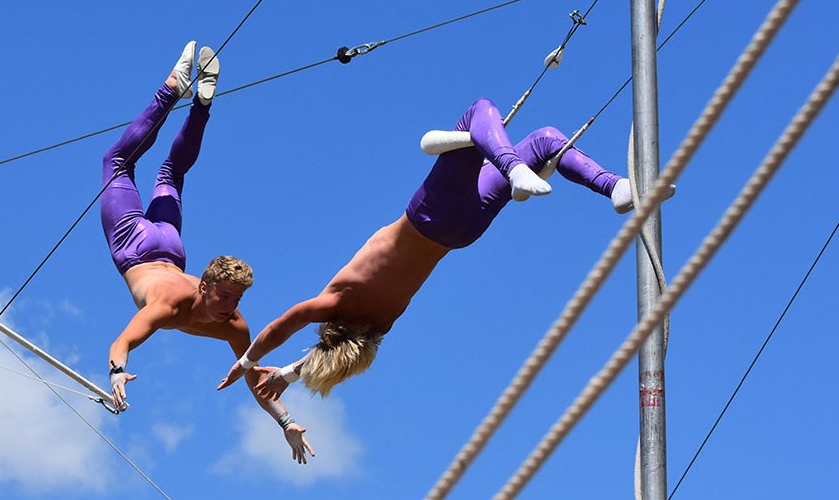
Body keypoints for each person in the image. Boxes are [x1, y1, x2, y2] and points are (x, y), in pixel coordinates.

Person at [217, 97, 665, 398]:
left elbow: (326, 357)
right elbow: (280, 327)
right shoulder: (334, 303)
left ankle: (616, 189)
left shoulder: (381, 324)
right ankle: (517, 168)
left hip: (464, 231)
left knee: (546, 140)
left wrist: (292, 375)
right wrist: (249, 361)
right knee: (481, 110)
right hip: (430, 214)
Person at [102, 41, 313, 463]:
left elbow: (256, 380)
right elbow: (123, 341)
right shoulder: (169, 304)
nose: (231, 307)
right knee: (118, 163)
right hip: (138, 245)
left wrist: (287, 423)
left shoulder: (235, 327)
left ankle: (200, 101)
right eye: (225, 296)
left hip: (167, 243)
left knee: (167, 171)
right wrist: (117, 370)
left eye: (236, 299)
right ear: (205, 286)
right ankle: (175, 90)